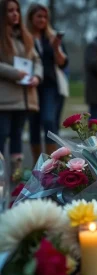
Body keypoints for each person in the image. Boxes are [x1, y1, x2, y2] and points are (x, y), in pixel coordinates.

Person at [0, 0, 42, 172]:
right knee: (1, 136)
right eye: (10, 11)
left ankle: (16, 184)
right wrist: (14, 72)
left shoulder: (24, 38)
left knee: (17, 138)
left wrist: (37, 77)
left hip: (24, 99)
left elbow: (36, 60)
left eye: (17, 10)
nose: (15, 13)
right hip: (4, 100)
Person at [26, 3, 68, 162]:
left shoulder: (53, 36)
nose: (42, 20)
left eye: (45, 17)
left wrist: (56, 48)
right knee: (34, 125)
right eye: (39, 16)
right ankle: (38, 165)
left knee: (49, 120)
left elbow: (64, 63)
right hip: (31, 87)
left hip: (51, 86)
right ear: (31, 18)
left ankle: (51, 163)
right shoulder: (24, 37)